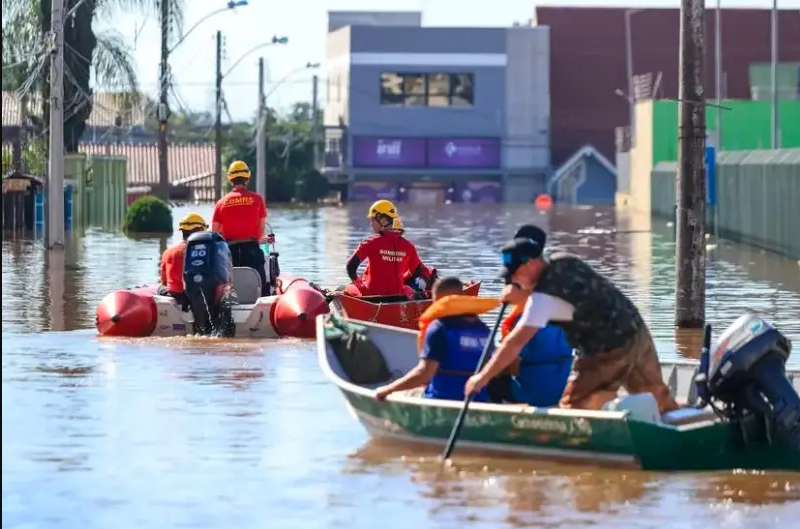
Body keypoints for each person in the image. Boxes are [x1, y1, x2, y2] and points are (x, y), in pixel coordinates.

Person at [464, 238, 680, 414]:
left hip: (607, 348)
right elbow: (566, 292)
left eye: (515, 274)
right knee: (656, 396)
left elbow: (514, 343)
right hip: (635, 329)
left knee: (573, 407)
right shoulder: (563, 259)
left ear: (531, 264)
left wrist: (481, 377)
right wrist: (523, 292)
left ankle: (604, 432)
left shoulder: (542, 300)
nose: (513, 280)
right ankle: (677, 424)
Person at [487, 224, 574, 407]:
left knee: (490, 379)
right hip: (561, 380)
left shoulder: (527, 317)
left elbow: (512, 358)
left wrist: (484, 374)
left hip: (534, 389)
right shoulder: (561, 303)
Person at [374, 277, 495, 402]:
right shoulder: (484, 330)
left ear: (437, 300)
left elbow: (424, 374)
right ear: (462, 296)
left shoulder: (439, 328)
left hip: (441, 398)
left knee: (400, 394)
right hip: (478, 399)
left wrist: (387, 390)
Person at [211, 160, 271, 296]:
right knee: (262, 283)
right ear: (247, 179)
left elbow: (214, 233)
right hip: (252, 250)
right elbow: (260, 231)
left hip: (229, 251)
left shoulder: (221, 203)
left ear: (230, 179)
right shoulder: (257, 199)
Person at [344, 200, 424, 299]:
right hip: (398, 295)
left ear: (384, 221)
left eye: (373, 220)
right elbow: (417, 271)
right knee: (411, 291)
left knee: (346, 288)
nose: (371, 224)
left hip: (371, 295)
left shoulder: (370, 242)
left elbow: (350, 266)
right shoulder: (409, 246)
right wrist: (402, 279)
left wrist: (358, 283)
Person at [159, 212, 208, 307]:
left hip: (175, 296)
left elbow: (164, 281)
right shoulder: (208, 252)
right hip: (200, 297)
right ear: (201, 230)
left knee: (160, 288)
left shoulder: (168, 252)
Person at [393, 217, 439, 293]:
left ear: (401, 233)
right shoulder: (384, 247)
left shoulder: (407, 246)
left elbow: (414, 270)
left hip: (418, 278)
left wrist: (400, 280)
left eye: (397, 232)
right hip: (404, 279)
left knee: (416, 286)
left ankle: (423, 297)